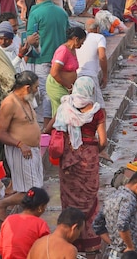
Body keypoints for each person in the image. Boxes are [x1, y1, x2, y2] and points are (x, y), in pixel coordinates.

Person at [50, 77, 106, 252]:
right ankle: (90, 246)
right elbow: (103, 141)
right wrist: (95, 149)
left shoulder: (65, 107)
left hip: (69, 160)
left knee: (69, 199)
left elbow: (55, 129)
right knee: (90, 201)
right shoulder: (97, 111)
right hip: (89, 159)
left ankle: (69, 243)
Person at [0, 71, 44, 220]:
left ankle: (28, 218)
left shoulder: (27, 99)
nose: (37, 90)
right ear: (27, 87)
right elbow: (0, 133)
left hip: (32, 150)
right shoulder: (9, 103)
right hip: (20, 151)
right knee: (30, 191)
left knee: (36, 188)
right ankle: (2, 204)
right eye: (36, 87)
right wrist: (20, 144)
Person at [25, 0, 68, 120]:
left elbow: (31, 37)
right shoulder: (62, 12)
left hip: (42, 58)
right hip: (60, 59)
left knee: (46, 94)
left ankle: (48, 126)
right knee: (58, 91)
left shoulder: (35, 12)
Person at [92, 169, 137, 257]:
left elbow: (97, 225)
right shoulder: (129, 199)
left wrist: (114, 244)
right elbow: (122, 224)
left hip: (115, 252)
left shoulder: (111, 196)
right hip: (127, 255)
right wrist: (129, 246)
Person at [0, 187, 51, 259]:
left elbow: (1, 249)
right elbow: (46, 251)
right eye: (45, 207)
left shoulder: (8, 220)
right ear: (40, 208)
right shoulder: (40, 224)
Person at [45, 27, 86, 115]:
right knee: (62, 111)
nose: (82, 44)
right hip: (57, 85)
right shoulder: (63, 50)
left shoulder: (73, 49)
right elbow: (54, 72)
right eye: (82, 42)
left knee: (65, 111)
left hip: (66, 86)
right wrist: (68, 86)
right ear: (76, 39)